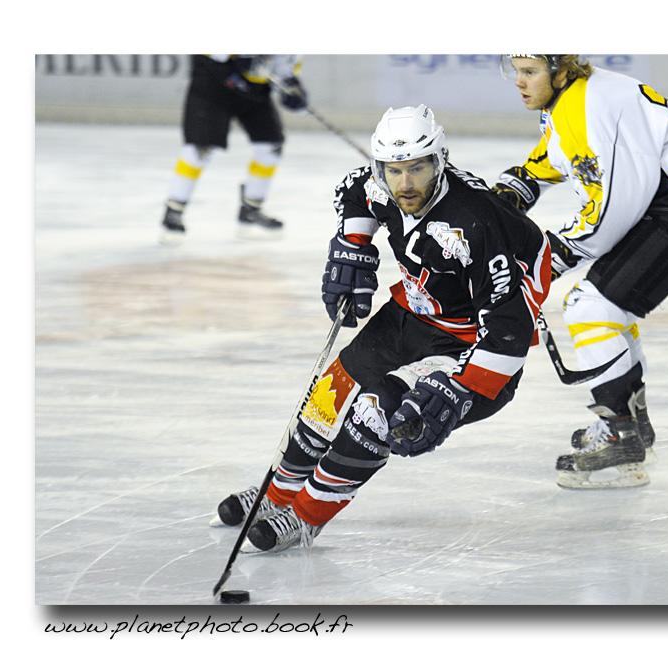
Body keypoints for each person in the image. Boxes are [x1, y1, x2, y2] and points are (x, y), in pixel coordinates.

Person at [212, 105, 551, 552]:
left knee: (378, 410)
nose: (405, 183)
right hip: (407, 318)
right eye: (394, 170)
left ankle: (306, 515)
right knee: (328, 398)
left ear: (440, 161)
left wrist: (461, 389)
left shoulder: (477, 222)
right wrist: (352, 245)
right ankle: (276, 495)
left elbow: (509, 330)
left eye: (417, 168)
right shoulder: (380, 187)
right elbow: (354, 192)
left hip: (467, 345)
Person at [493, 55, 668, 489]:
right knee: (608, 307)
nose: (518, 81)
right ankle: (632, 425)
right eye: (515, 70)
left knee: (590, 307)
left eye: (529, 71)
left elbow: (614, 208)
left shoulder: (587, 107)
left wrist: (546, 260)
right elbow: (561, 152)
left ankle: (620, 438)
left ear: (560, 71)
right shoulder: (576, 96)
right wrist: (514, 189)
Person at [159, 55, 308, 244]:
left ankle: (251, 209)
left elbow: (284, 71)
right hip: (212, 86)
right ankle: (174, 210)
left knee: (270, 146)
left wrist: (292, 90)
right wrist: (235, 69)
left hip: (255, 90)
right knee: (199, 148)